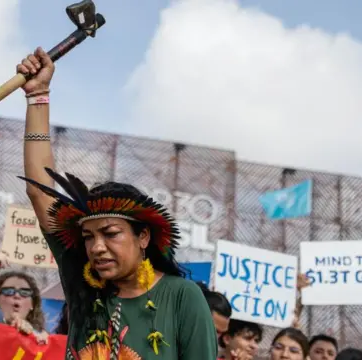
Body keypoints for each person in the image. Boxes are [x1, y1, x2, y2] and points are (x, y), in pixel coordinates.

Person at [17, 47, 217, 358]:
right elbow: (40, 191)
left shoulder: (182, 297)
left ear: (143, 237)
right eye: (88, 236)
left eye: (110, 233)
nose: (96, 247)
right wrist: (38, 96)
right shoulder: (81, 279)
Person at [0, 271, 49, 343]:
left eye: (25, 292)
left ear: (32, 304)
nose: (17, 295)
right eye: (9, 291)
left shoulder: (40, 338)